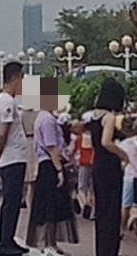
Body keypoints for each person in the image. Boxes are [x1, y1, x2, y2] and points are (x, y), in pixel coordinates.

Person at [25, 106, 79, 254]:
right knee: (50, 205)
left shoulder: (43, 117)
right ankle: (47, 243)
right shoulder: (47, 119)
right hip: (50, 164)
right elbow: (51, 147)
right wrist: (59, 169)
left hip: (47, 163)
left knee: (51, 205)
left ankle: (51, 242)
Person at [0, 62, 29, 256]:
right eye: (22, 79)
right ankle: (4, 241)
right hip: (12, 157)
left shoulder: (5, 100)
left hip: (14, 156)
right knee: (11, 201)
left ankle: (9, 238)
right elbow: (3, 133)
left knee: (14, 202)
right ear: (14, 78)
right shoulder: (7, 102)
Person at [91, 78, 129, 256]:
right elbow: (106, 142)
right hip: (109, 164)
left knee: (102, 208)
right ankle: (110, 249)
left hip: (97, 162)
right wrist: (123, 154)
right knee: (112, 209)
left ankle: (101, 249)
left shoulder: (94, 115)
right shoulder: (110, 117)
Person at [73, 119, 95, 219]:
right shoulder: (94, 137)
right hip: (93, 162)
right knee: (92, 187)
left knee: (82, 186)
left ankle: (84, 203)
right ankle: (92, 208)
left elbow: (76, 151)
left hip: (83, 162)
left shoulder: (79, 138)